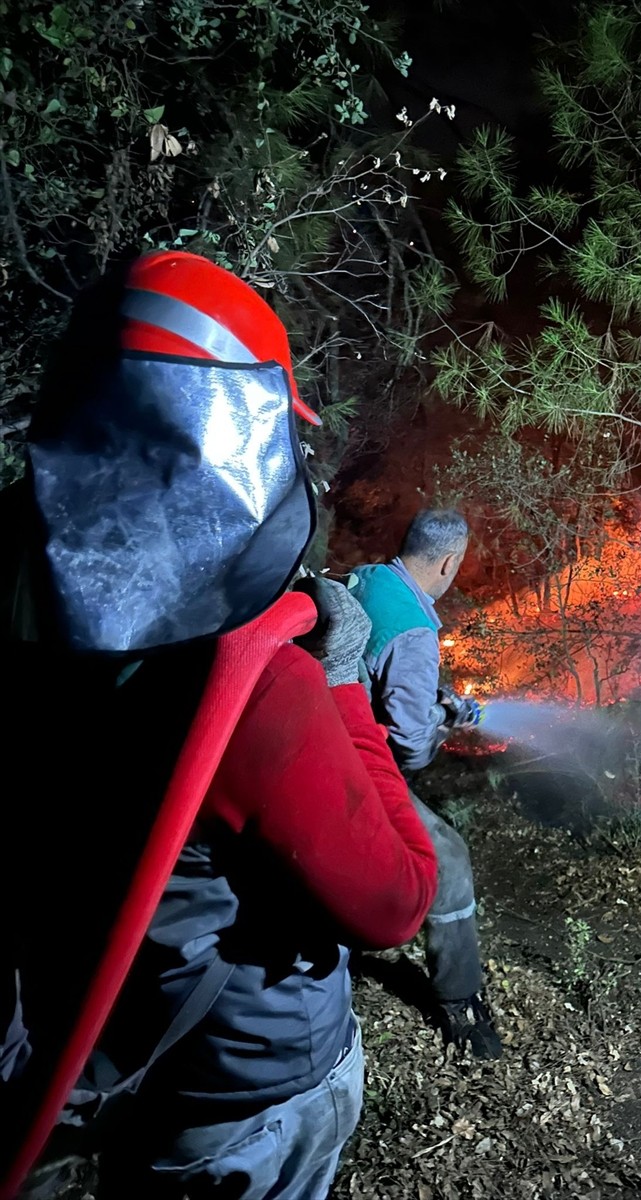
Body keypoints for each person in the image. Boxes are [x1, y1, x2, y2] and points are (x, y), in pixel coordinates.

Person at [0, 251, 438, 1200]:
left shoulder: (26, 608)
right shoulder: (251, 681)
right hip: (242, 1094)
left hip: (102, 1054)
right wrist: (341, 686)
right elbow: (397, 901)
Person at [350, 509, 503, 1060]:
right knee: (449, 861)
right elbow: (411, 747)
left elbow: (373, 668)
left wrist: (431, 700)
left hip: (320, 732)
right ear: (448, 561)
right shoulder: (416, 631)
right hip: (353, 759)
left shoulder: (371, 579)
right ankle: (459, 1001)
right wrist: (443, 724)